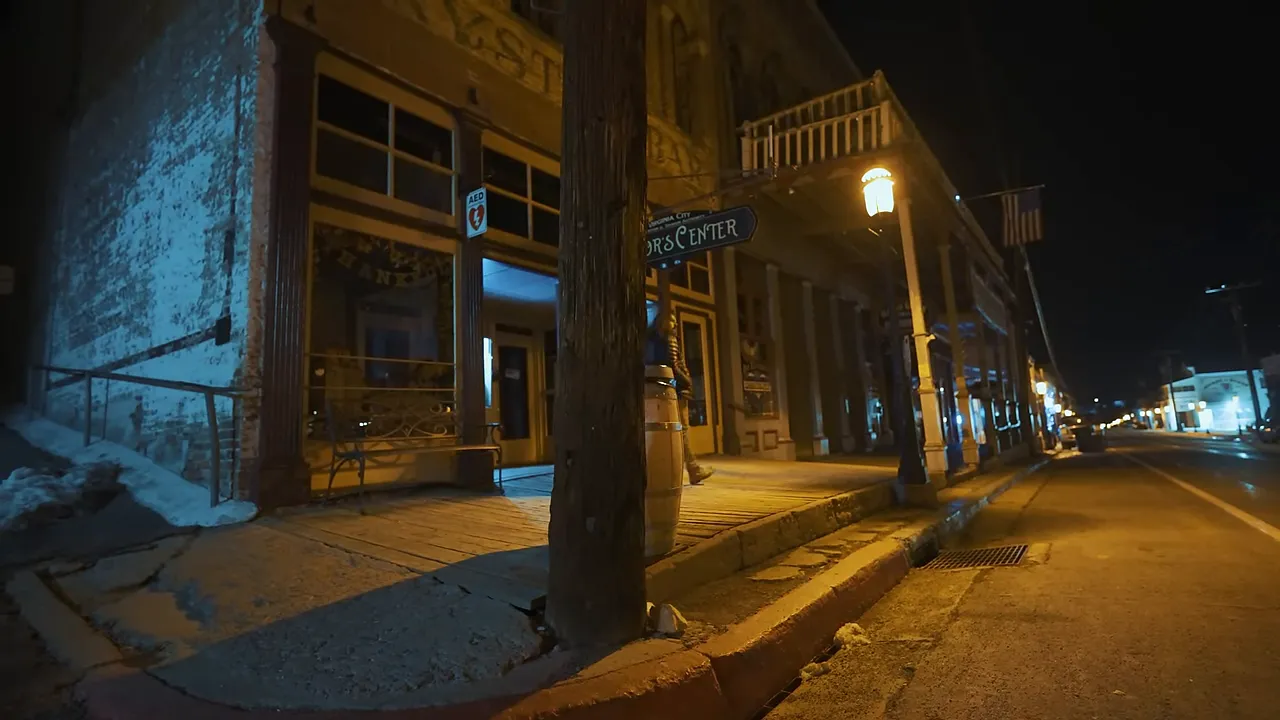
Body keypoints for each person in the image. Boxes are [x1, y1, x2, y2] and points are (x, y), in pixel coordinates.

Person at [646, 306, 714, 484]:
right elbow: (674, 364)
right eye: (673, 321)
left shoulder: (652, 339)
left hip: (660, 387)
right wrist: (688, 381)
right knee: (681, 430)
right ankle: (693, 469)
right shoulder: (670, 339)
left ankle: (686, 468)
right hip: (676, 389)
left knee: (669, 430)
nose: (675, 324)